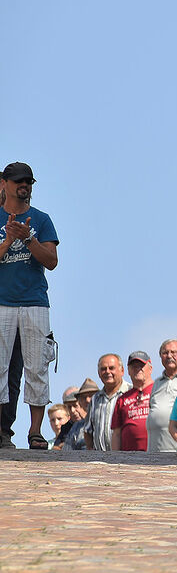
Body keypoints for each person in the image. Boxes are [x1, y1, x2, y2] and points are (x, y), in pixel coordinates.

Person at [0, 162, 60, 450]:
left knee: (37, 366)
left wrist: (29, 238)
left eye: (29, 182)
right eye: (19, 181)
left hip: (35, 303)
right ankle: (2, 431)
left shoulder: (42, 219)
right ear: (6, 184)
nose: (25, 185)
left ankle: (35, 432)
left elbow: (51, 261)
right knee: (0, 368)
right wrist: (9, 240)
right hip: (3, 303)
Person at [146, 339, 177, 452]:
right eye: (165, 353)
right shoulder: (156, 383)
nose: (169, 356)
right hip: (154, 450)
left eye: (173, 352)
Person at [84, 354, 130, 450]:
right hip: (100, 460)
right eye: (103, 369)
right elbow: (87, 430)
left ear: (122, 371)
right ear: (98, 373)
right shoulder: (95, 399)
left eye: (111, 368)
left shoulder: (131, 393)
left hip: (127, 459)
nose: (107, 372)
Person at [111, 352, 154, 452]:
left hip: (158, 453)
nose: (137, 369)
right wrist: (115, 457)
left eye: (141, 365)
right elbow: (116, 433)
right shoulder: (122, 399)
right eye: (133, 366)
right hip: (129, 458)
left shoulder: (159, 390)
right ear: (128, 371)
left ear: (150, 368)